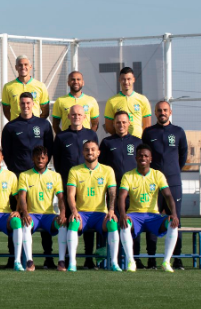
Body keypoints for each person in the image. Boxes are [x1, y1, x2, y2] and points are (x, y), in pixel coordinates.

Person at [1, 92, 54, 268]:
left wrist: (41, 168)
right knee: (17, 214)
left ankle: (48, 257)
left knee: (43, 210)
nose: (25, 106)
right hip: (18, 176)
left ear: (33, 104)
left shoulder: (44, 125)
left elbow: (49, 149)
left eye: (28, 103)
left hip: (39, 175)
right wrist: (15, 170)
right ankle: (13, 256)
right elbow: (7, 152)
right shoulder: (10, 127)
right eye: (22, 103)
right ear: (19, 105)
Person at [113, 144, 179, 272]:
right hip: (134, 216)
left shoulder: (158, 175)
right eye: (140, 155)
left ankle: (166, 262)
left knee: (173, 223)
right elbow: (121, 197)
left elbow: (168, 196)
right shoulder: (128, 176)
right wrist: (122, 214)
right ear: (136, 158)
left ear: (150, 159)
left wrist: (174, 214)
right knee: (125, 224)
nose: (143, 158)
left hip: (153, 216)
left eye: (146, 156)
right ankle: (131, 262)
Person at [141, 101, 188, 269]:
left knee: (175, 220)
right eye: (159, 110)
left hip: (173, 184)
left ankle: (177, 258)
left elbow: (183, 155)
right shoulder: (148, 132)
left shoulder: (178, 132)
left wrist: (173, 171)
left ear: (170, 112)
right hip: (153, 184)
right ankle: (151, 259)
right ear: (155, 112)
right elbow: (144, 155)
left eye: (165, 110)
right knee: (152, 219)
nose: (162, 113)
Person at [52, 105, 99, 269]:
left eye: (79, 114)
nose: (76, 117)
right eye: (73, 114)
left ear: (85, 116)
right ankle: (66, 258)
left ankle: (88, 258)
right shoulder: (61, 137)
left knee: (87, 218)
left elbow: (95, 158)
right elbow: (57, 162)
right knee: (68, 219)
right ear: (68, 117)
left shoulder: (91, 135)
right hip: (68, 184)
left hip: (88, 185)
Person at [99, 110, 143, 267]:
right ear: (114, 124)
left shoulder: (137, 142)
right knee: (111, 223)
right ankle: (109, 259)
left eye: (124, 122)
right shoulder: (107, 142)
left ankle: (135, 258)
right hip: (113, 192)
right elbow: (101, 167)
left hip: (133, 192)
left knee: (133, 225)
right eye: (118, 122)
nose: (121, 125)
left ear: (129, 123)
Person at [65, 141, 118, 271]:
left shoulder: (107, 170)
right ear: (82, 152)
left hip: (100, 214)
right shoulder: (75, 170)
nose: (90, 152)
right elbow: (70, 194)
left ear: (98, 152)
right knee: (73, 223)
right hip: (82, 214)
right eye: (87, 150)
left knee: (112, 223)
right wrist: (74, 211)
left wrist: (111, 210)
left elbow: (112, 192)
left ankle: (114, 262)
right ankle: (72, 263)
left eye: (93, 149)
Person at [16, 146, 65, 272]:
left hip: (49, 215)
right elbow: (22, 197)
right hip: (32, 215)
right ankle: (29, 262)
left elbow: (60, 197)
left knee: (63, 224)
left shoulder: (55, 176)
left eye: (43, 157)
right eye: (37, 157)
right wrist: (25, 213)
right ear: (32, 158)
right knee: (26, 224)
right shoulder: (24, 175)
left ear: (47, 159)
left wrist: (62, 214)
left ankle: (61, 262)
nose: (40, 160)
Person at [104, 66, 151, 138]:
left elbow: (147, 125)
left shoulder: (143, 99)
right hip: (120, 140)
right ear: (119, 80)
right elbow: (108, 126)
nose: (126, 82)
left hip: (138, 140)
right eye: (123, 79)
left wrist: (140, 138)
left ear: (133, 80)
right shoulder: (111, 101)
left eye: (129, 79)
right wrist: (119, 136)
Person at [1, 55, 50, 122]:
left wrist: (37, 123)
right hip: (17, 126)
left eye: (26, 64)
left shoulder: (41, 86)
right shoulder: (8, 87)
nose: (23, 67)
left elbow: (45, 111)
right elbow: (6, 110)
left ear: (30, 67)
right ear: (16, 67)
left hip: (34, 126)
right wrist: (15, 122)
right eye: (20, 65)